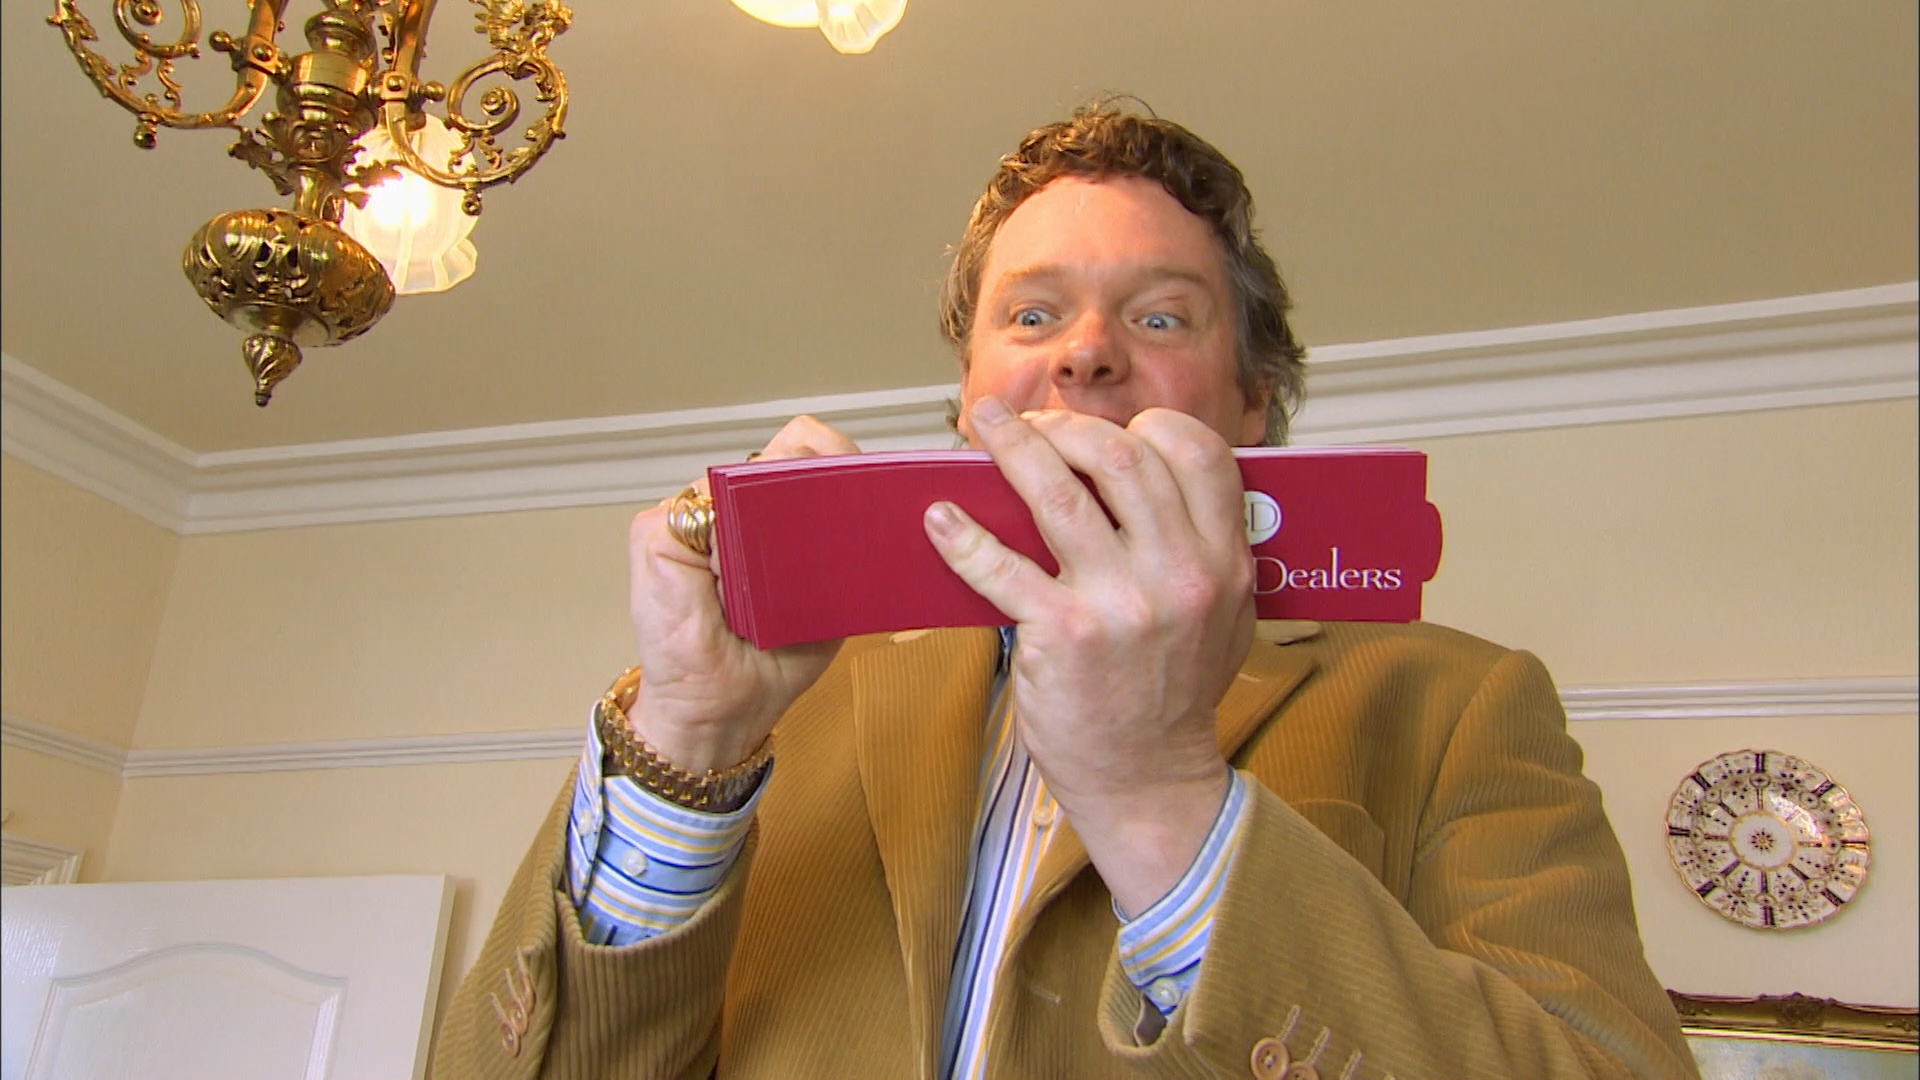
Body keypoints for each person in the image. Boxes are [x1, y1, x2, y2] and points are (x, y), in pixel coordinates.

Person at [432, 102, 1701, 1080]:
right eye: (1033, 317)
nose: (1086, 352)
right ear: (969, 399)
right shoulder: (769, 701)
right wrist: (688, 739)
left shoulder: (1459, 704)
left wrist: (1159, 795)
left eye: (1160, 319)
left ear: (1251, 405)